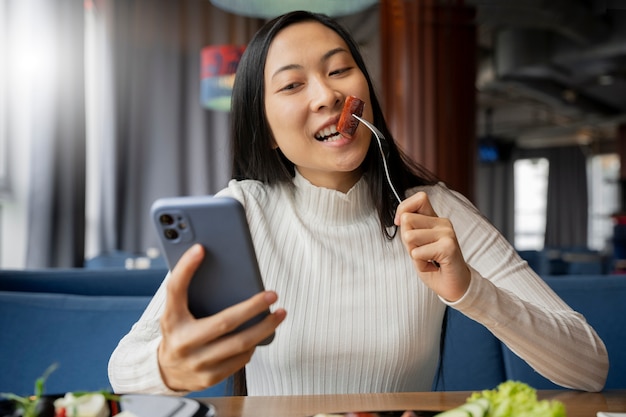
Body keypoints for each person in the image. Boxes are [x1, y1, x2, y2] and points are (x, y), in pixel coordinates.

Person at [108, 10, 608, 396]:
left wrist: (470, 290)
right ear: (268, 134)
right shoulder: (243, 210)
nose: (326, 94)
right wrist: (167, 367)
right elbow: (122, 367)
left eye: (340, 70)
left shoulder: (437, 211)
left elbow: (590, 367)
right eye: (292, 84)